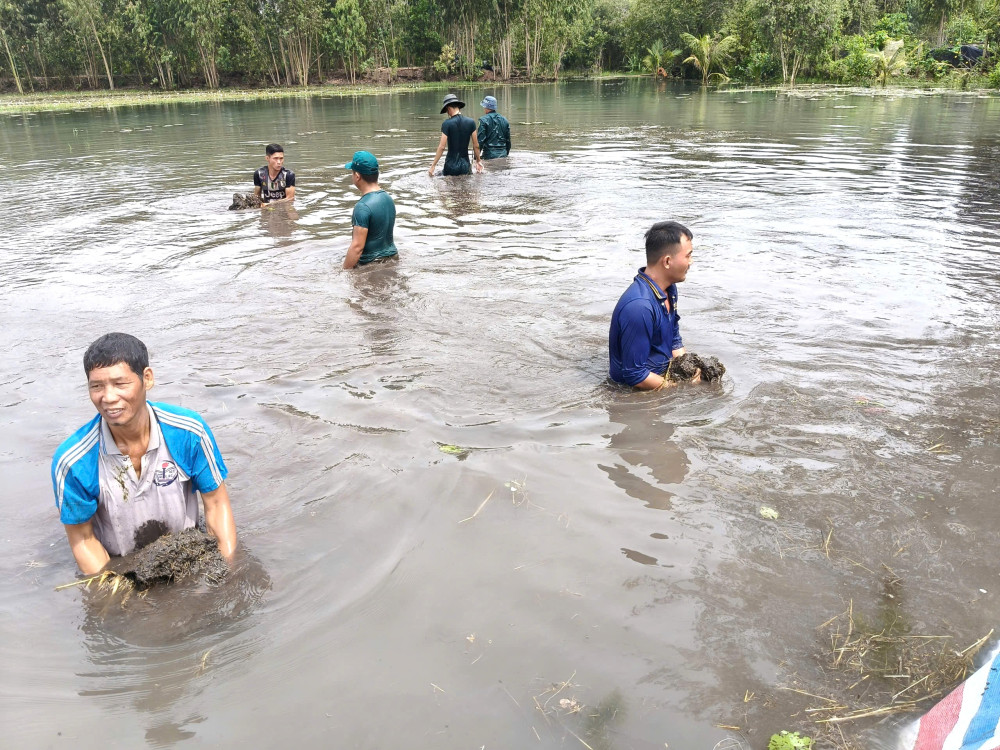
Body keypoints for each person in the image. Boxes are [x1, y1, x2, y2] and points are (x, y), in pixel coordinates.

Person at [51, 333, 237, 574]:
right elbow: (83, 539)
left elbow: (216, 504)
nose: (108, 398)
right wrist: (115, 594)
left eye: (120, 384)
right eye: (96, 386)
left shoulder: (189, 432)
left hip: (187, 550)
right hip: (120, 560)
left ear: (147, 379)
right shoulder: (73, 461)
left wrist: (226, 572)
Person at [609, 221, 701, 390]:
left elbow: (674, 340)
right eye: (688, 256)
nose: (691, 262)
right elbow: (635, 375)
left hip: (660, 377)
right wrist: (680, 388)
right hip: (631, 393)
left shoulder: (669, 290)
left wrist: (689, 369)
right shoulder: (639, 307)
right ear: (667, 261)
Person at [343, 150, 398, 269]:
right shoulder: (388, 198)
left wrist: (343, 272)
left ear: (357, 176)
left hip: (371, 265)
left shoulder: (362, 207)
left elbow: (357, 247)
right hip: (393, 259)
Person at [428, 94, 484, 176]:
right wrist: (478, 161)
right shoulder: (471, 122)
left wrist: (433, 165)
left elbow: (442, 147)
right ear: (458, 107)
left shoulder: (447, 124)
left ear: (448, 108)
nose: (448, 113)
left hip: (450, 166)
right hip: (465, 166)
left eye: (447, 111)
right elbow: (476, 145)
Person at [476, 95, 511, 160]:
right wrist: (506, 154)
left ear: (485, 106)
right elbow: (508, 141)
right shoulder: (505, 120)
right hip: (503, 155)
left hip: (489, 155)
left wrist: (476, 158)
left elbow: (480, 141)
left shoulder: (483, 120)